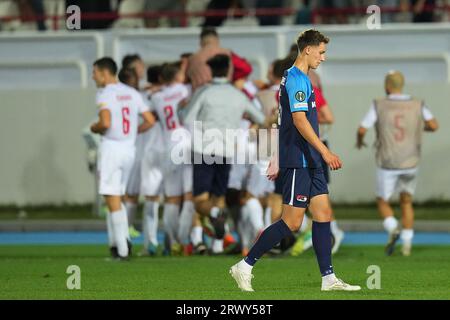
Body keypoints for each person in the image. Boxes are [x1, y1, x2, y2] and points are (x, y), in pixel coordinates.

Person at [229, 29, 361, 292]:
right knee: (291, 222)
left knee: (323, 214)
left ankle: (328, 279)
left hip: (308, 159)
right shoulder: (297, 80)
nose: (323, 58)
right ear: (308, 49)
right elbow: (298, 122)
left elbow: (284, 123)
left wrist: (278, 156)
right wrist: (324, 151)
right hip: (301, 160)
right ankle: (244, 266)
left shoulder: (299, 78)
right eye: (321, 52)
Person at [182, 54, 265, 255]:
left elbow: (186, 118)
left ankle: (212, 215)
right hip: (226, 150)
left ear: (211, 71)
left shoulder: (204, 92)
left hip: (204, 149)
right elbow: (260, 117)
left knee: (200, 200)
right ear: (228, 70)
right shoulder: (238, 95)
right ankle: (218, 246)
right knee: (219, 197)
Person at [356, 70, 438, 256]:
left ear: (387, 86)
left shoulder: (379, 104)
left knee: (382, 200)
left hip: (388, 162)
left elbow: (362, 129)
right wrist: (417, 127)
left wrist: (360, 141)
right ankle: (407, 245)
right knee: (406, 201)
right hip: (411, 161)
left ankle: (393, 227)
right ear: (402, 85)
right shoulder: (417, 103)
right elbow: (433, 125)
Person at [90, 57, 155, 260]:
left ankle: (123, 249)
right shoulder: (131, 92)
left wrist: (95, 127)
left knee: (112, 198)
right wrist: (133, 133)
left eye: (94, 72)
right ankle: (117, 243)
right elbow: (151, 120)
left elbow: (106, 122)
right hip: (129, 150)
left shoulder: (105, 93)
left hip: (112, 148)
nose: (93, 76)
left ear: (104, 73)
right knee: (117, 198)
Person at [140, 62, 193, 256]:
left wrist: (156, 88)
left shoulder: (156, 97)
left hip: (168, 147)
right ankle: (183, 239)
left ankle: (173, 244)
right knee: (189, 196)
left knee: (172, 199)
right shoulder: (185, 89)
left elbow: (148, 101)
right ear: (178, 76)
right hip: (187, 143)